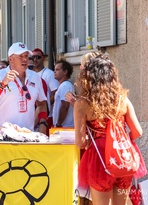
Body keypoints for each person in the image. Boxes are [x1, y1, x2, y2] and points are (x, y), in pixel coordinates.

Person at [74, 55, 143, 205]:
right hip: (123, 158)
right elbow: (138, 131)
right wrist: (120, 141)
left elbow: (80, 142)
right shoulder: (122, 99)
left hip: (99, 161)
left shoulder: (82, 104)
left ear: (88, 77)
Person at [0, 42, 48, 134]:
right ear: (10, 59)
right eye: (20, 56)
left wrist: (43, 123)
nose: (24, 59)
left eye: (26, 56)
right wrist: (2, 84)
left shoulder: (35, 77)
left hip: (27, 137)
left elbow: (42, 103)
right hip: (1, 137)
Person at [32, 48, 60, 128]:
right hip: (33, 115)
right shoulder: (31, 74)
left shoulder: (49, 74)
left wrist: (45, 103)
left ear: (43, 58)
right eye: (32, 57)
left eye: (38, 57)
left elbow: (56, 93)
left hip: (46, 116)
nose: (35, 59)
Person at [52, 59, 74, 127]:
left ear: (65, 72)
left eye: (57, 70)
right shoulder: (64, 85)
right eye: (55, 69)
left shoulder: (65, 85)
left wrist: (59, 123)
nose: (54, 71)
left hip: (65, 127)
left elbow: (65, 106)